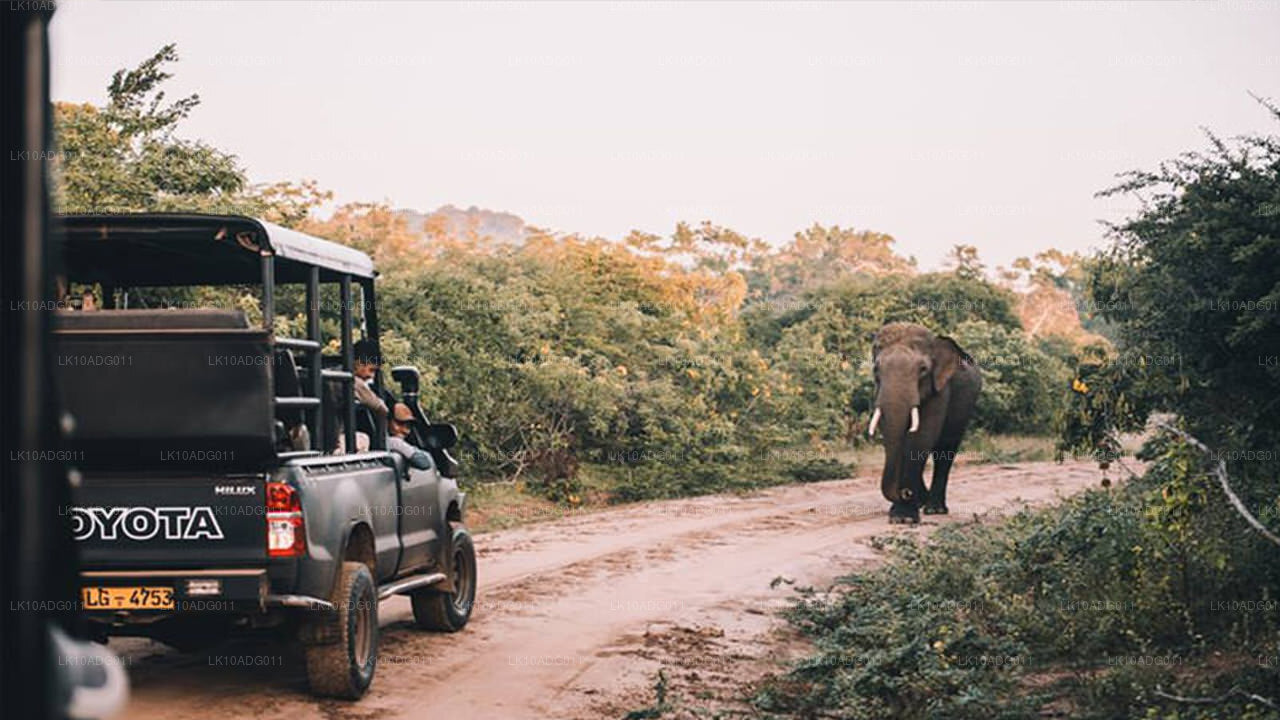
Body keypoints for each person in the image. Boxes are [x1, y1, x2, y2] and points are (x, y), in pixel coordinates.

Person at [388, 402, 431, 470]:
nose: (405, 431)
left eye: (408, 426)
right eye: (399, 423)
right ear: (387, 421)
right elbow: (424, 463)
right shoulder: (393, 442)